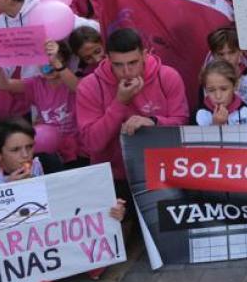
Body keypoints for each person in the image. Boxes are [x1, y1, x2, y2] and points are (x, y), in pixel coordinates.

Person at [0, 118, 127, 282]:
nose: (25, 155)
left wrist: (110, 209)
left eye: (29, 147)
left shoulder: (47, 163)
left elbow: (77, 197)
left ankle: (81, 261)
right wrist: (6, 193)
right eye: (15, 150)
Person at [76, 28, 188, 183]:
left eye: (133, 62)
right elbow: (92, 144)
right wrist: (120, 103)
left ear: (144, 54)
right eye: (118, 65)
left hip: (162, 171)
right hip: (112, 176)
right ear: (107, 59)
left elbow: (182, 124)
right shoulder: (89, 86)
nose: (127, 71)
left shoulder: (167, 76)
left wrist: (154, 122)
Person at [0, 39, 83, 162]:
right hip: (49, 148)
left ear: (63, 61)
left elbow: (77, 88)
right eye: (42, 61)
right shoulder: (35, 84)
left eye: (51, 61)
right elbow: (3, 84)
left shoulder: (71, 79)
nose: (47, 66)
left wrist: (55, 61)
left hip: (78, 147)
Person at [195, 60, 247, 125]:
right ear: (205, 89)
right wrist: (216, 126)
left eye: (224, 89)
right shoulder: (199, 115)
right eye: (211, 90)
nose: (218, 96)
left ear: (235, 86)